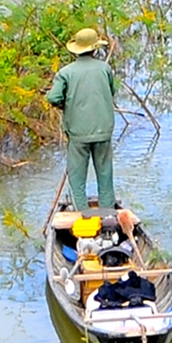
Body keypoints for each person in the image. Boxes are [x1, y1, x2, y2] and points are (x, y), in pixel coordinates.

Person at [46, 28, 118, 209]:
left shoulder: (66, 72)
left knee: (77, 179)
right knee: (105, 175)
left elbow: (53, 98)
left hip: (78, 134)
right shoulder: (105, 69)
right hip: (103, 131)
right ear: (95, 49)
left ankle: (81, 214)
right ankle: (108, 213)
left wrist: (65, 105)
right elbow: (111, 92)